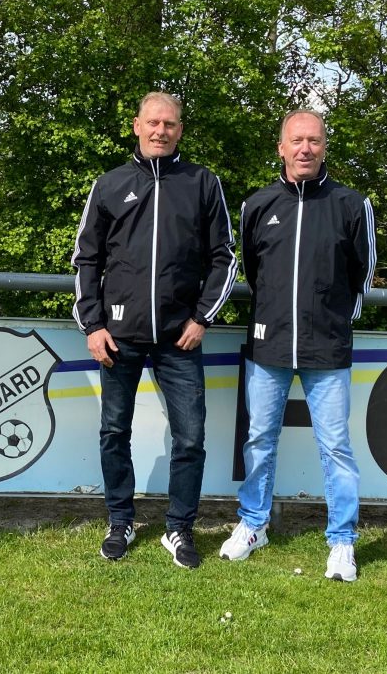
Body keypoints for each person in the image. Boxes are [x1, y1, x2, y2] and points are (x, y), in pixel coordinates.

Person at [72, 92, 237, 569]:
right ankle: (119, 519)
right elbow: (86, 258)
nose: (161, 131)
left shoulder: (203, 183)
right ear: (136, 126)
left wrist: (202, 317)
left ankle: (179, 528)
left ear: (180, 130)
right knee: (113, 431)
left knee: (190, 438)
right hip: (117, 338)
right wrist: (93, 324)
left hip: (179, 338)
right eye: (153, 122)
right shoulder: (110, 184)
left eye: (170, 124)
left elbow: (224, 257)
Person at [219, 109, 376, 582]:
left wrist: (332, 321)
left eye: (314, 140)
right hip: (269, 346)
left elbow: (362, 274)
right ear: (281, 148)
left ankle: (342, 541)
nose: (305, 148)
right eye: (296, 140)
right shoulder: (257, 205)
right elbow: (252, 270)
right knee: (260, 440)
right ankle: (253, 525)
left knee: (336, 448)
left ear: (325, 147)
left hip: (327, 350)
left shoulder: (352, 204)